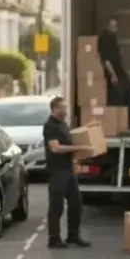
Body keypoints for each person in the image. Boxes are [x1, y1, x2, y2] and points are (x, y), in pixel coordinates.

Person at [43, 96, 93, 249]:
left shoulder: (63, 124)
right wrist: (79, 148)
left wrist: (75, 161)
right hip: (57, 170)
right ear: (54, 109)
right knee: (56, 205)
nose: (65, 111)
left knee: (76, 202)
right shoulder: (50, 125)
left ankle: (73, 235)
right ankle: (54, 238)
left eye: (65, 107)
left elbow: (69, 140)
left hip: (68, 169)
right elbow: (56, 148)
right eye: (62, 108)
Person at [97, 17, 130, 127]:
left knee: (128, 90)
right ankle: (120, 123)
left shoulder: (112, 37)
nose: (115, 28)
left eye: (116, 26)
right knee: (119, 96)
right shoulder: (104, 38)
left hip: (118, 69)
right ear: (108, 26)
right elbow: (105, 59)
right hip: (113, 71)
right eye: (112, 26)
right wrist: (113, 75)